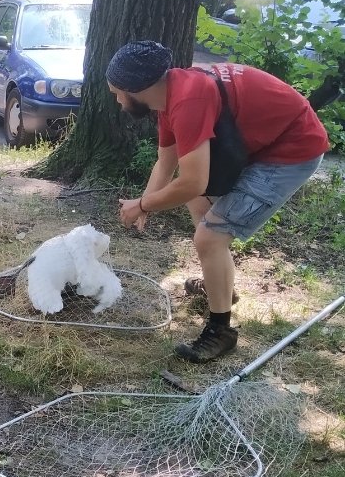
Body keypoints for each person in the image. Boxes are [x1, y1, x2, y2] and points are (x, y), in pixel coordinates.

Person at [107, 41, 329, 363]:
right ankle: (220, 289)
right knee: (199, 205)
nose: (116, 100)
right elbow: (166, 162)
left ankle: (220, 331)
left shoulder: (187, 100)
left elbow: (192, 179)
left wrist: (143, 205)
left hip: (291, 152)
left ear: (137, 88)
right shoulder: (170, 94)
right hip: (260, 145)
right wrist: (145, 204)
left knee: (210, 236)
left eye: (117, 93)